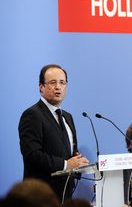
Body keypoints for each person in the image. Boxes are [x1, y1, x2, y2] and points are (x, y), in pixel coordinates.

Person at [18, 64, 89, 201]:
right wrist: (66, 165)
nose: (58, 87)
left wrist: (78, 161)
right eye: (52, 82)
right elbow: (32, 154)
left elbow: (67, 151)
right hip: (41, 195)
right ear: (41, 87)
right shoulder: (32, 115)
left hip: (65, 193)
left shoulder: (67, 117)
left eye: (62, 83)